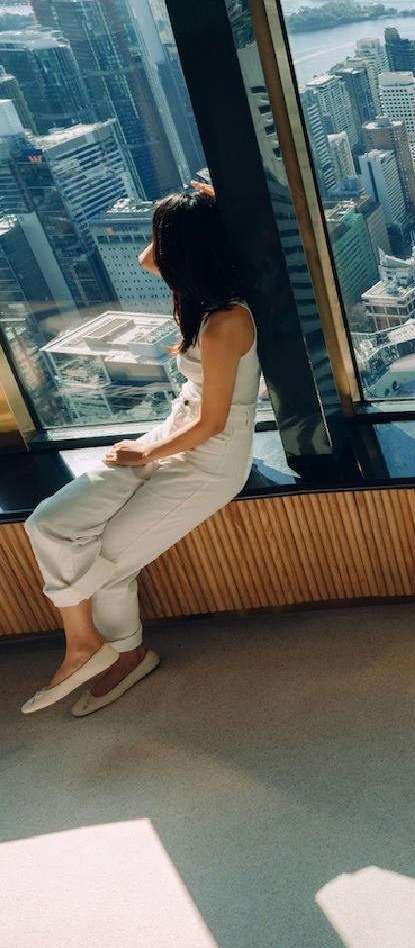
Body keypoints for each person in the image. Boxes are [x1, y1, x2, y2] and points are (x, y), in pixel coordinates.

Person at [20, 185, 260, 717]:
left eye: (164, 239)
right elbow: (149, 259)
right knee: (50, 523)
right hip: (166, 440)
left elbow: (213, 423)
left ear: (186, 255)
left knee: (106, 564)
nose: (152, 254)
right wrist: (207, 205)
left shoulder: (227, 320)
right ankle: (84, 644)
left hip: (207, 461)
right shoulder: (201, 299)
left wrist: (142, 456)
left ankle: (123, 656)